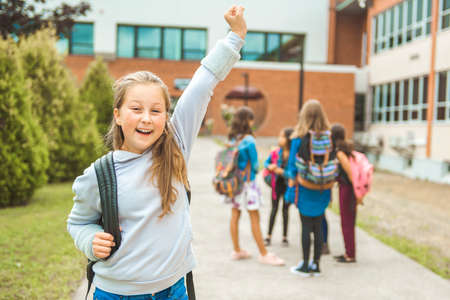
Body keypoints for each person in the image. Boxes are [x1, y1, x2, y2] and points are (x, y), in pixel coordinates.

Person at [67, 6, 247, 299]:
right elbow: (78, 222)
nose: (146, 118)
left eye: (156, 110)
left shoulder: (176, 146)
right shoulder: (100, 174)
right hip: (117, 294)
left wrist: (235, 37)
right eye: (136, 109)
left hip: (174, 289)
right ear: (118, 115)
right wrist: (90, 240)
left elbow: (201, 85)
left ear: (166, 117)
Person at [226, 106, 285, 266]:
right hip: (248, 184)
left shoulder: (233, 139)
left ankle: (237, 250)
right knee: (254, 218)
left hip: (234, 183)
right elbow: (256, 165)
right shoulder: (249, 141)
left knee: (235, 215)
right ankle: (264, 254)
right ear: (248, 121)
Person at [286, 99, 335, 277]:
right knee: (319, 226)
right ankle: (317, 264)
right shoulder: (329, 137)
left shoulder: (298, 138)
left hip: (305, 189)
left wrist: (292, 179)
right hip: (323, 188)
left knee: (306, 227)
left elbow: (291, 167)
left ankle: (305, 265)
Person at [331, 123, 360, 263]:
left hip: (347, 190)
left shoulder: (340, 153)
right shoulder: (344, 150)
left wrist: (357, 193)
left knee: (347, 222)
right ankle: (348, 251)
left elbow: (350, 173)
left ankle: (350, 255)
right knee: (347, 221)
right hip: (347, 189)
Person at [264, 127, 293, 247]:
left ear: (288, 139)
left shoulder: (293, 155)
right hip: (276, 186)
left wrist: (282, 172)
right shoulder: (276, 152)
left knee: (285, 211)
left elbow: (292, 173)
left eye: (282, 136)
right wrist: (269, 166)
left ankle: (284, 237)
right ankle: (268, 236)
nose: (279, 138)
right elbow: (266, 163)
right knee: (274, 210)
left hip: (287, 187)